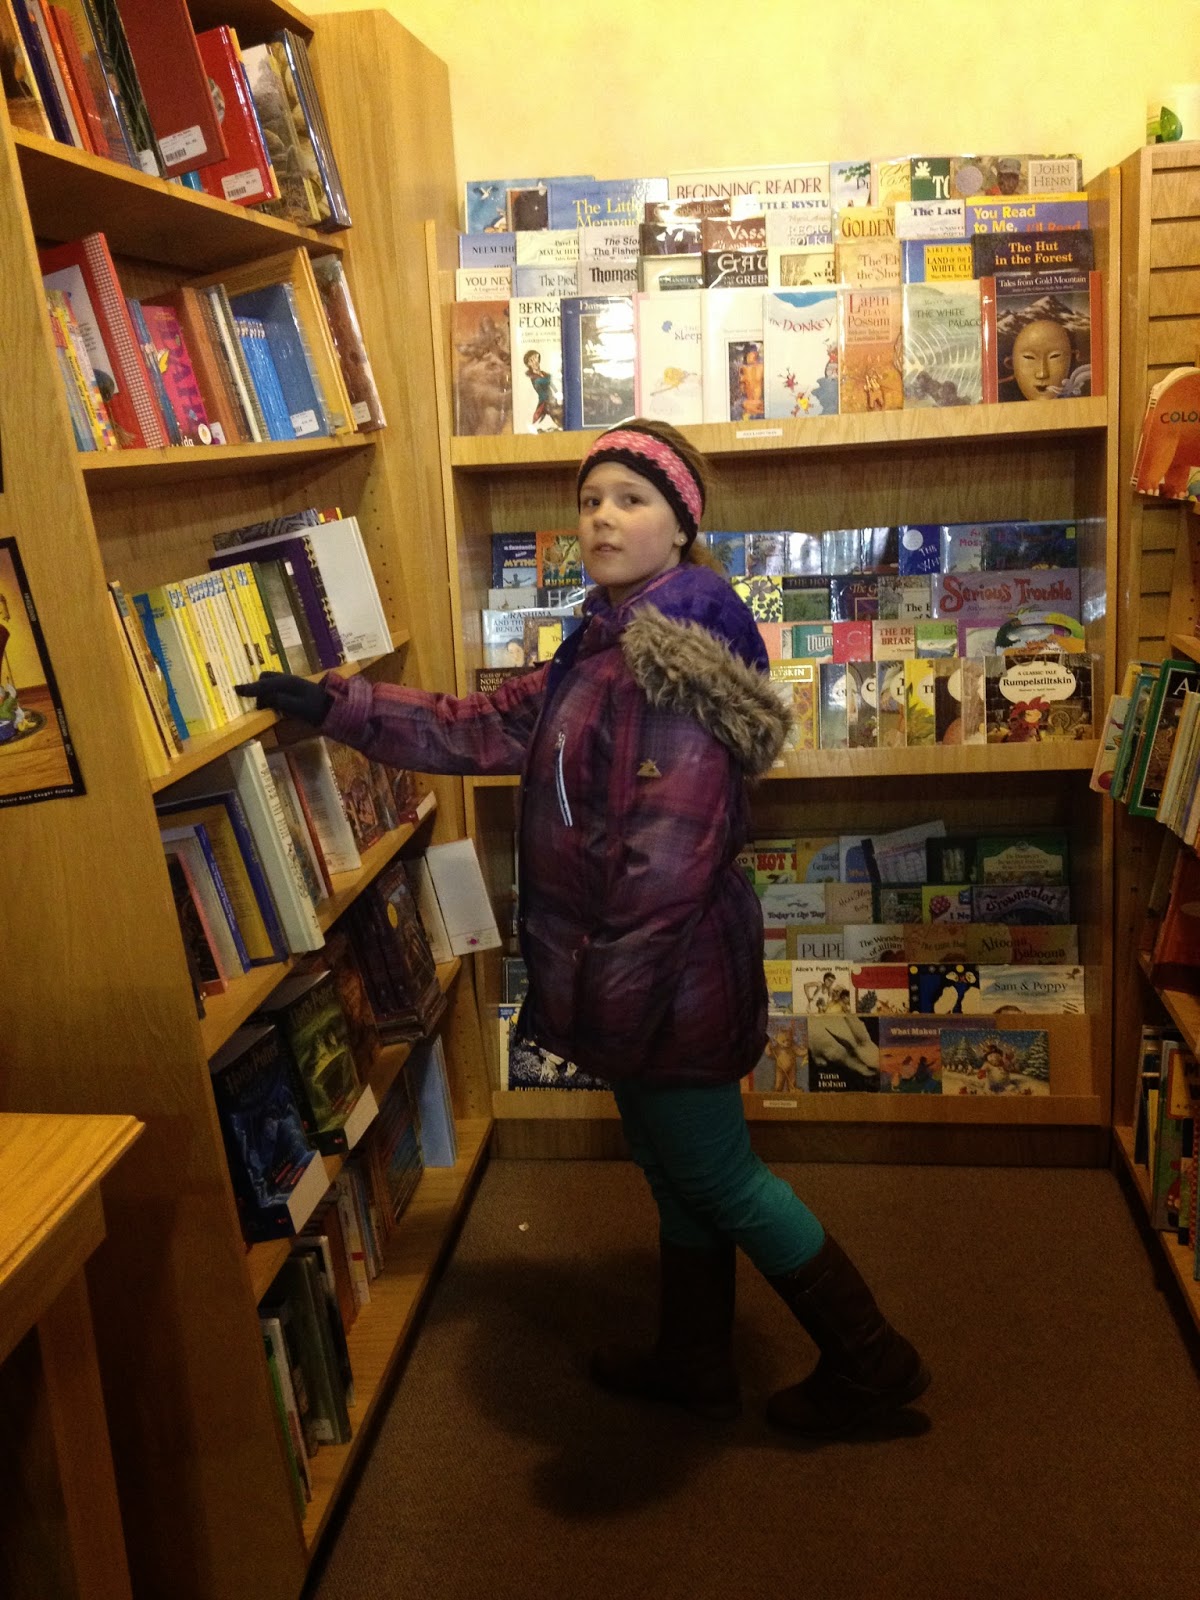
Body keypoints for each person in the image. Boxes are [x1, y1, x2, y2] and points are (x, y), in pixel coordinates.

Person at [237, 417, 929, 1438]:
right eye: (590, 499)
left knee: (720, 1174)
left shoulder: (676, 662)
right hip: (635, 976)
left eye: (631, 499)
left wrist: (607, 1004)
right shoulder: (605, 640)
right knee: (669, 1162)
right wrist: (343, 707)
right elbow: (488, 724)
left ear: (681, 526)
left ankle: (873, 1361)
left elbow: (666, 865)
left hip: (664, 978)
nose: (602, 516)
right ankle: (694, 1357)